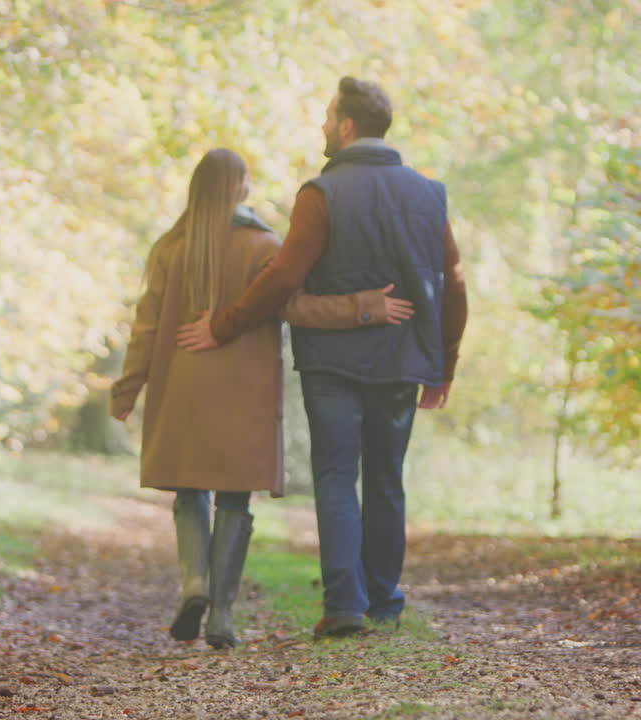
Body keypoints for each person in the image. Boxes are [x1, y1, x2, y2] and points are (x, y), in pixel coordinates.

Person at [177, 77, 468, 638]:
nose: (322, 127)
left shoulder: (322, 193)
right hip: (402, 361)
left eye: (327, 117)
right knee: (387, 479)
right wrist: (443, 366)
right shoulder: (429, 195)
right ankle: (384, 600)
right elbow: (453, 285)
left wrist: (222, 325)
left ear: (348, 126)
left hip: (332, 363)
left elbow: (284, 276)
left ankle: (344, 607)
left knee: (336, 476)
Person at [109, 148, 413, 649]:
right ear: (241, 188)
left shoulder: (169, 249)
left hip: (182, 386)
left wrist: (128, 388)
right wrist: (366, 306)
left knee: (190, 492)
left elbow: (145, 328)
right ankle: (222, 616)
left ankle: (194, 584)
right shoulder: (264, 245)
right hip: (243, 390)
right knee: (234, 498)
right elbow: (299, 307)